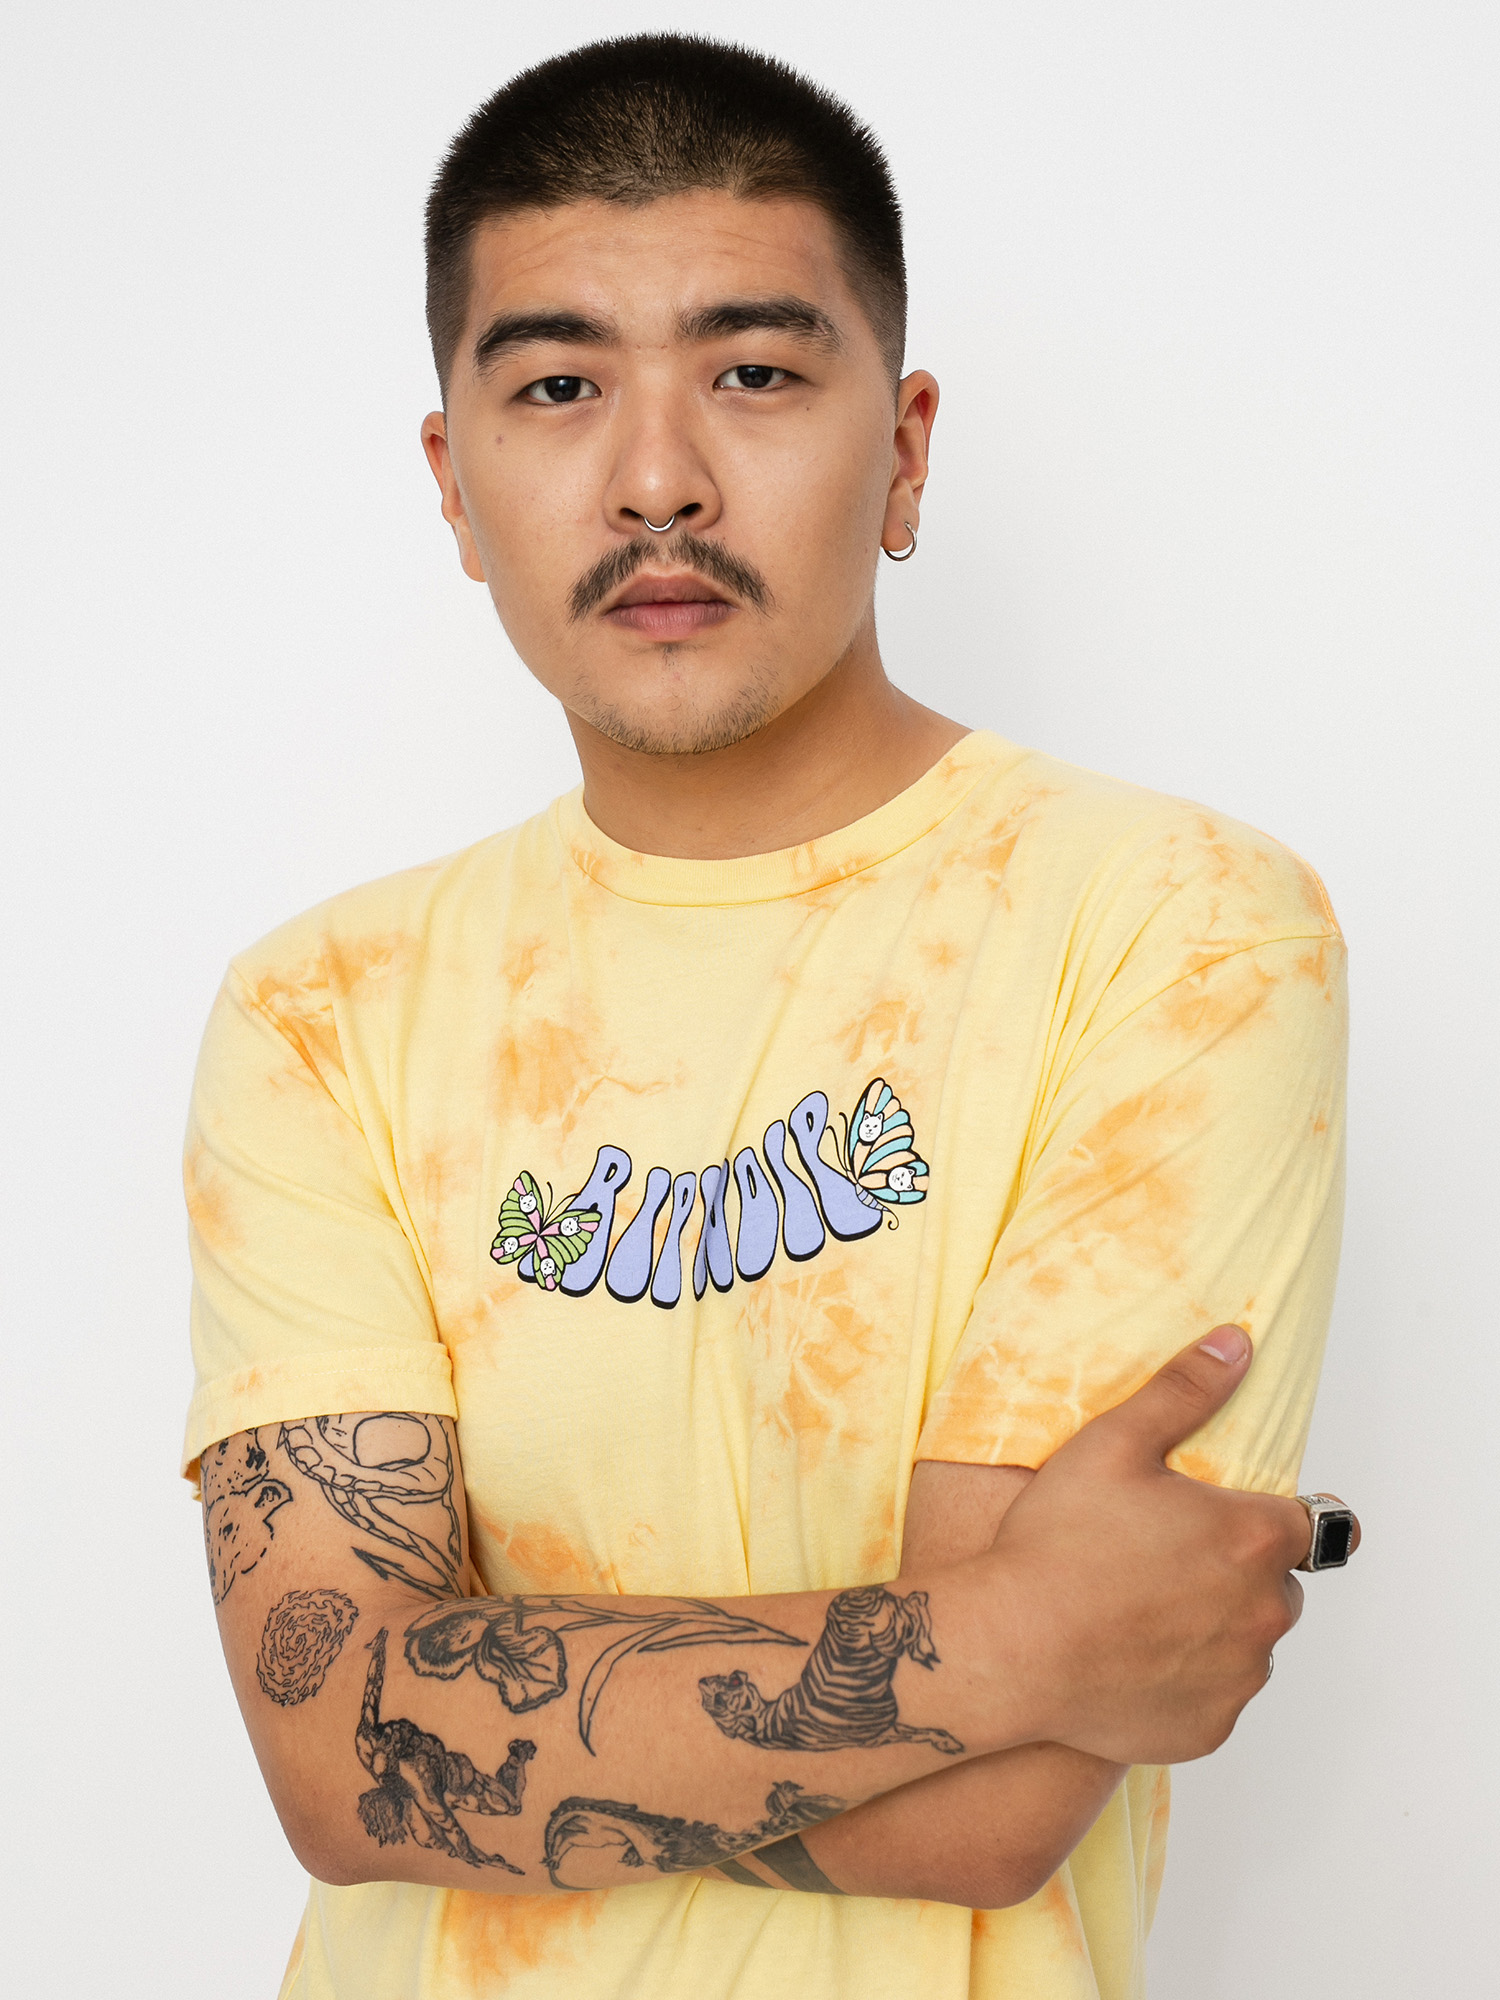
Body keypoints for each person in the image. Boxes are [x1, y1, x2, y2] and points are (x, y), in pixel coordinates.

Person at [183, 33, 1358, 2000]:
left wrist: (470, 1717)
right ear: (455, 482)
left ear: (904, 448)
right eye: (560, 386)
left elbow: (994, 1814)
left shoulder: (1176, 925)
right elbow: (335, 1749)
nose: (658, 479)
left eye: (753, 373)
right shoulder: (321, 1010)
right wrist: (1013, 1640)